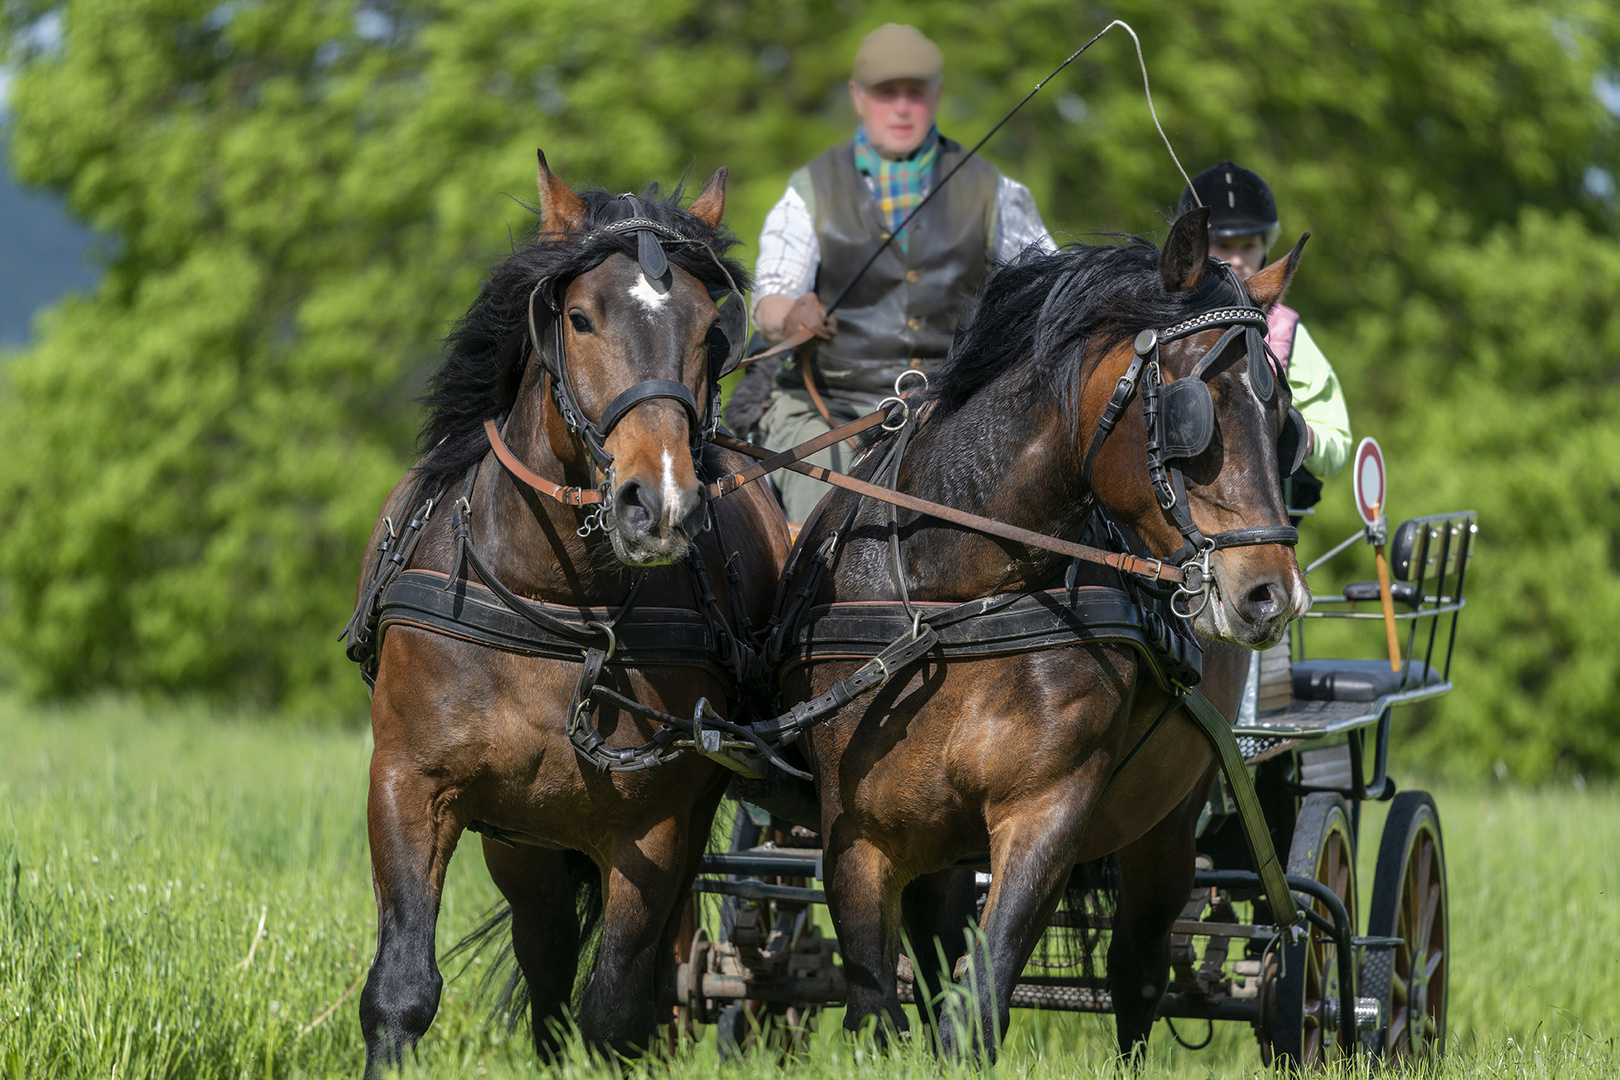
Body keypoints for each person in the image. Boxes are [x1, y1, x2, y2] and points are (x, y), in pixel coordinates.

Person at [749, 23, 1054, 522]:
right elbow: (771, 297)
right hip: (828, 412)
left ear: (937, 95)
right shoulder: (808, 190)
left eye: (915, 93)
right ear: (857, 97)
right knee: (823, 534)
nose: (902, 107)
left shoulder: (993, 190)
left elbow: (1049, 290)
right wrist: (790, 315)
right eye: (886, 93)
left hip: (954, 412)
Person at [1177, 161, 1352, 511]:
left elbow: (1338, 441)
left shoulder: (1287, 331)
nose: (1238, 260)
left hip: (1256, 523)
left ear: (1266, 247)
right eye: (1224, 245)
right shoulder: (1155, 320)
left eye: (1249, 245)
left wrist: (1305, 438)